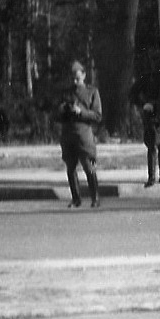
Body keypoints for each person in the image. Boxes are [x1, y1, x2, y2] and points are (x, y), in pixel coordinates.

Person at [57, 60, 104, 208]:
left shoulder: (92, 91)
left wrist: (81, 112)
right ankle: (76, 198)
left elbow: (97, 115)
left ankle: (95, 198)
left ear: (84, 75)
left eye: (77, 77)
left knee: (88, 167)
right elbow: (56, 116)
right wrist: (62, 110)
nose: (75, 81)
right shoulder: (65, 93)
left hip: (84, 135)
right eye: (72, 78)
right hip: (68, 135)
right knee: (70, 168)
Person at [131, 64, 160, 189]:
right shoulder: (148, 77)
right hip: (152, 115)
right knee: (153, 145)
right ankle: (152, 176)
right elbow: (134, 93)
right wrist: (144, 103)